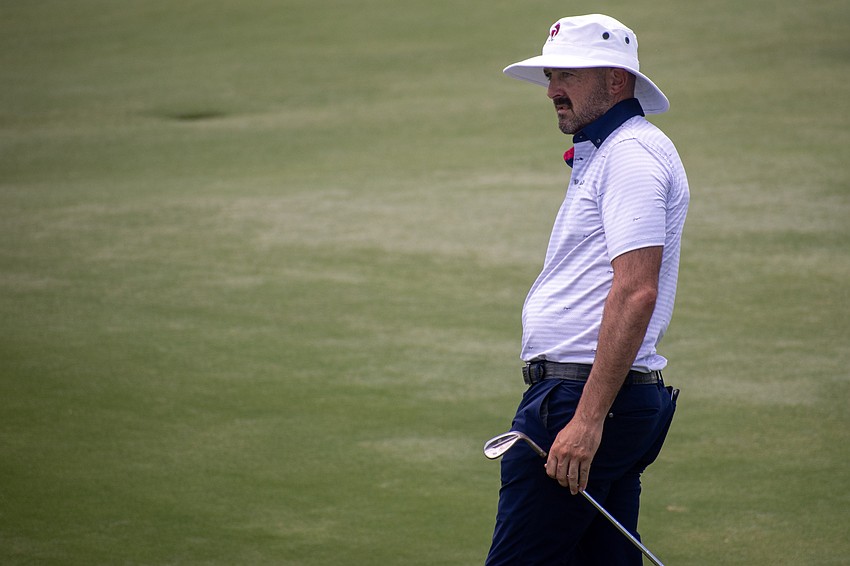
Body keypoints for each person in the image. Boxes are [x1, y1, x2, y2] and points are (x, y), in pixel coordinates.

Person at [485, 14, 689, 565]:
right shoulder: (612, 151)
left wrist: (588, 419)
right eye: (552, 76)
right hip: (606, 398)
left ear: (617, 81)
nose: (553, 89)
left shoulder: (630, 156)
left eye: (569, 75)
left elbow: (636, 291)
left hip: (582, 399)